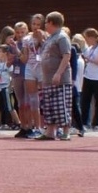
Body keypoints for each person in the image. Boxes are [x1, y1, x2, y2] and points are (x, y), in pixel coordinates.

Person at [36, 12, 74, 141]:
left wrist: (58, 73)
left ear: (51, 22)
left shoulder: (62, 37)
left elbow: (66, 55)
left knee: (61, 105)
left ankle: (66, 131)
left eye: (46, 22)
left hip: (60, 80)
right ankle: (50, 132)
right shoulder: (50, 38)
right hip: (47, 79)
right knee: (49, 106)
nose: (45, 24)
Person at [80, 28, 98, 131]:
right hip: (88, 76)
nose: (86, 40)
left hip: (97, 78)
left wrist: (90, 60)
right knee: (85, 101)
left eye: (87, 38)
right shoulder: (90, 48)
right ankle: (83, 123)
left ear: (92, 38)